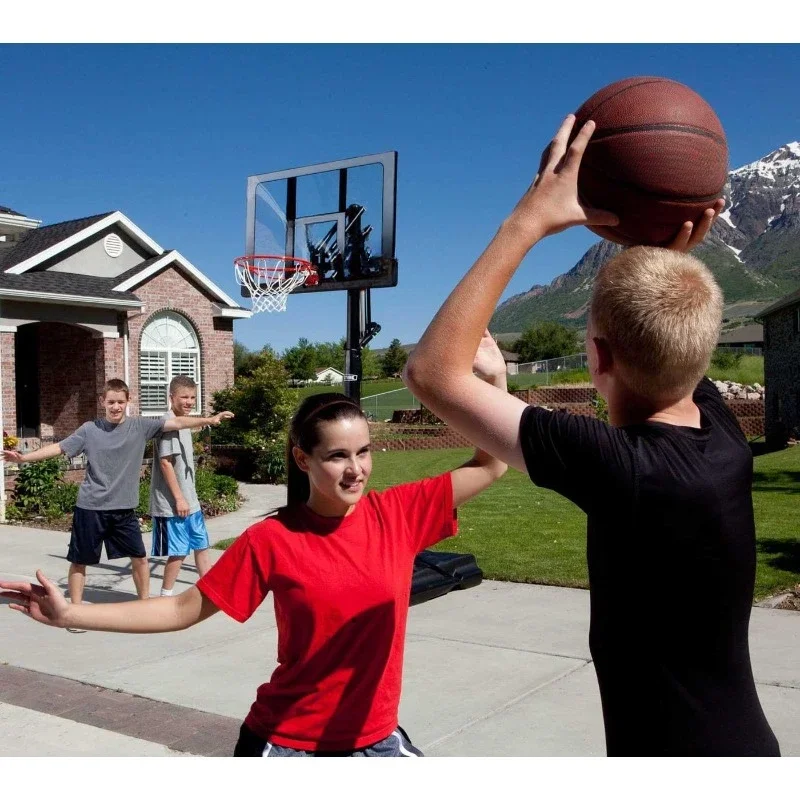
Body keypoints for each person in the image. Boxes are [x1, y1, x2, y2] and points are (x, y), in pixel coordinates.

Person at [403, 115, 780, 756]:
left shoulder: (623, 469)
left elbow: (431, 372)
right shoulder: (721, 438)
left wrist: (528, 220)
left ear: (598, 361)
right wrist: (668, 264)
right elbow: (675, 340)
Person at [0, 335, 508, 756]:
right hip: (288, 743)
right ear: (303, 460)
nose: (356, 469)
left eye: (363, 452)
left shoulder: (398, 514)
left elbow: (492, 463)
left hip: (375, 739)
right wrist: (73, 615)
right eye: (336, 456)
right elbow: (181, 608)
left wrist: (496, 381)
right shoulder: (272, 539)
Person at [1, 379, 233, 609]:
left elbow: (176, 422)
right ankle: (75, 610)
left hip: (123, 510)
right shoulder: (89, 430)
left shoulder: (140, 427)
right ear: (103, 401)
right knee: (80, 562)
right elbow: (59, 447)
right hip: (91, 508)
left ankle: (144, 606)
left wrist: (209, 420)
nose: (116, 407)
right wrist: (23, 458)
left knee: (140, 559)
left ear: (128, 401)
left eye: (120, 402)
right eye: (111, 402)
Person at [150, 375, 212, 597]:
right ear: (171, 397)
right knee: (178, 552)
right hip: (173, 504)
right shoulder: (169, 425)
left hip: (190, 501)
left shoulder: (183, 422)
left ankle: (209, 592)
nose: (189, 401)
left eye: (192, 397)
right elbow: (166, 464)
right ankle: (166, 596)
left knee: (201, 546)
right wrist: (179, 499)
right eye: (184, 397)